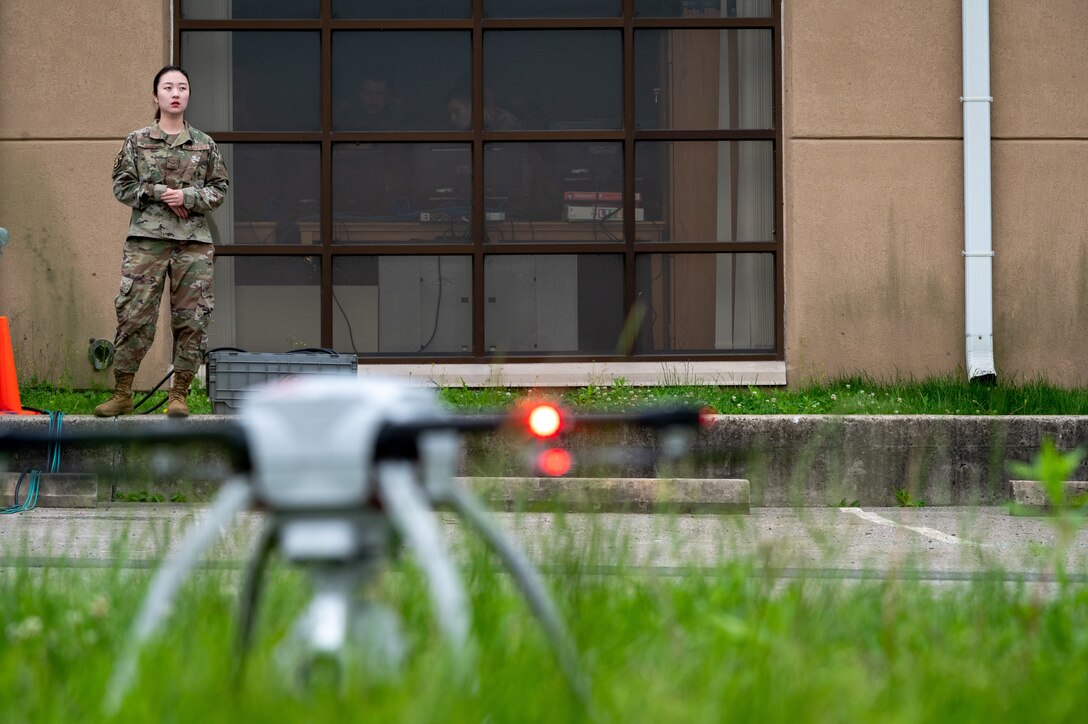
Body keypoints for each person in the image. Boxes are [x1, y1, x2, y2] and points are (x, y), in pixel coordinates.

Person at [95, 65, 230, 418]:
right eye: (168, 87)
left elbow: (220, 189)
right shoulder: (137, 141)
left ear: (188, 95)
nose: (175, 93)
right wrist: (158, 192)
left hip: (193, 243)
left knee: (192, 318)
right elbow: (122, 185)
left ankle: (179, 395)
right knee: (134, 314)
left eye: (182, 87)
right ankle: (122, 392)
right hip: (147, 242)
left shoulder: (205, 144)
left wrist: (187, 197)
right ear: (155, 96)